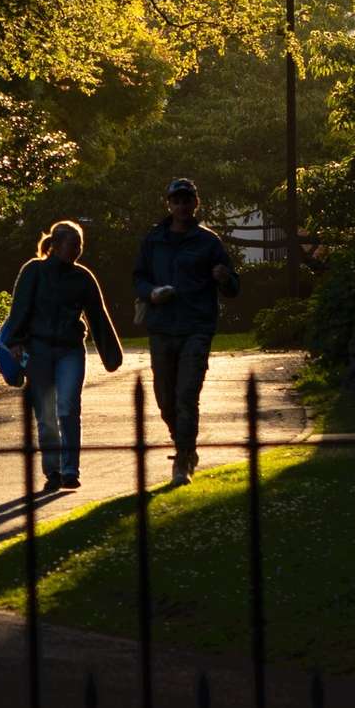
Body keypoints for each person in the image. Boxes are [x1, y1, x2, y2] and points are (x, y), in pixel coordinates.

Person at [133, 178, 240, 486]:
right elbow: (138, 277)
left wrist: (224, 278)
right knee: (165, 398)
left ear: (196, 203)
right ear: (169, 204)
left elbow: (233, 286)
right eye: (176, 200)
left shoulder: (209, 242)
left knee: (186, 394)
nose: (181, 205)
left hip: (196, 327)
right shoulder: (154, 239)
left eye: (186, 200)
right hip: (162, 327)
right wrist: (151, 292)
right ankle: (183, 444)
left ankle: (183, 459)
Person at [3, 220, 123, 491]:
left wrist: (111, 356)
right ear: (56, 246)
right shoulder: (34, 271)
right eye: (73, 244)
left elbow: (98, 316)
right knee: (45, 415)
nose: (78, 250)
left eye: (81, 244)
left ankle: (70, 470)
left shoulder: (83, 277)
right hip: (39, 350)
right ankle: (53, 472)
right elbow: (19, 308)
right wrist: (15, 341)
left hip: (70, 349)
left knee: (68, 407)